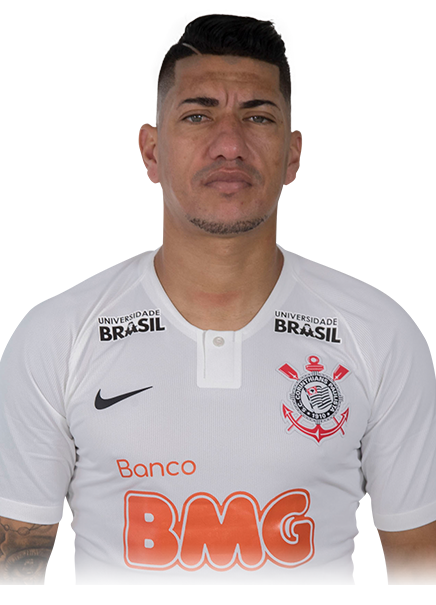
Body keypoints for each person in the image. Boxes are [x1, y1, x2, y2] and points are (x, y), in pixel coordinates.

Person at [1, 12, 436, 586]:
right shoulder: (59, 337)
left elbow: (417, 566)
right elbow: (19, 567)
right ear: (151, 150)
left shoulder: (379, 338)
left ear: (293, 152)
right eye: (197, 115)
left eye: (258, 116)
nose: (229, 144)